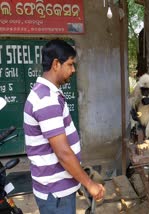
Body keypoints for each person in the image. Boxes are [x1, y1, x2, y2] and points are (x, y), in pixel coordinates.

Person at [23, 39, 105, 214]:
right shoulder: (46, 100)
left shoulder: (48, 94)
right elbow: (63, 152)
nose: (73, 70)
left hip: (58, 189)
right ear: (55, 64)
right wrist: (89, 184)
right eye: (70, 64)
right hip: (56, 193)